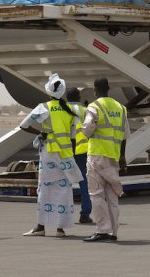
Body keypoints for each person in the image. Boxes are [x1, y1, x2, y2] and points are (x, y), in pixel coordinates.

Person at [19, 74, 82, 238]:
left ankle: (40, 227)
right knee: (64, 191)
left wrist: (40, 132)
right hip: (66, 155)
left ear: (48, 90)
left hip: (49, 153)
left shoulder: (44, 107)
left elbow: (23, 125)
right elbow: (73, 136)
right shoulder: (69, 110)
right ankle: (61, 229)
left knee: (44, 189)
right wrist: (71, 157)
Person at [81, 77, 129, 242]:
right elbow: (124, 136)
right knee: (112, 195)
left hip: (97, 155)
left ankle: (102, 230)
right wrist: (122, 157)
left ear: (95, 90)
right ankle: (114, 232)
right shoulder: (121, 108)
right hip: (114, 157)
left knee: (96, 193)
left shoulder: (94, 107)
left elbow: (87, 130)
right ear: (109, 89)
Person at [67, 86, 93, 224]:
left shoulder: (62, 109)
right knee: (84, 182)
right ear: (79, 98)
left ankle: (64, 215)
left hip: (65, 150)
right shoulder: (84, 110)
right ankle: (85, 213)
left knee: (64, 182)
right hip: (81, 149)